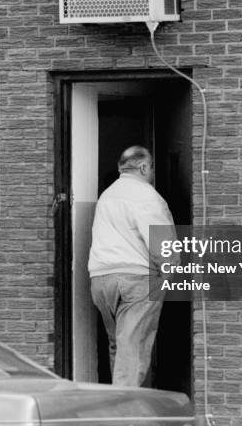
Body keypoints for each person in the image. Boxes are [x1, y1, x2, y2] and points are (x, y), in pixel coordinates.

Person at [88, 145, 176, 387]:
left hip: (101, 280)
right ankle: (125, 414)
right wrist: (170, 272)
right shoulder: (146, 196)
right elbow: (162, 244)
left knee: (120, 346)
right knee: (133, 349)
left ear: (120, 168)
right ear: (144, 167)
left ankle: (122, 404)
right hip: (135, 279)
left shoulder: (107, 196)